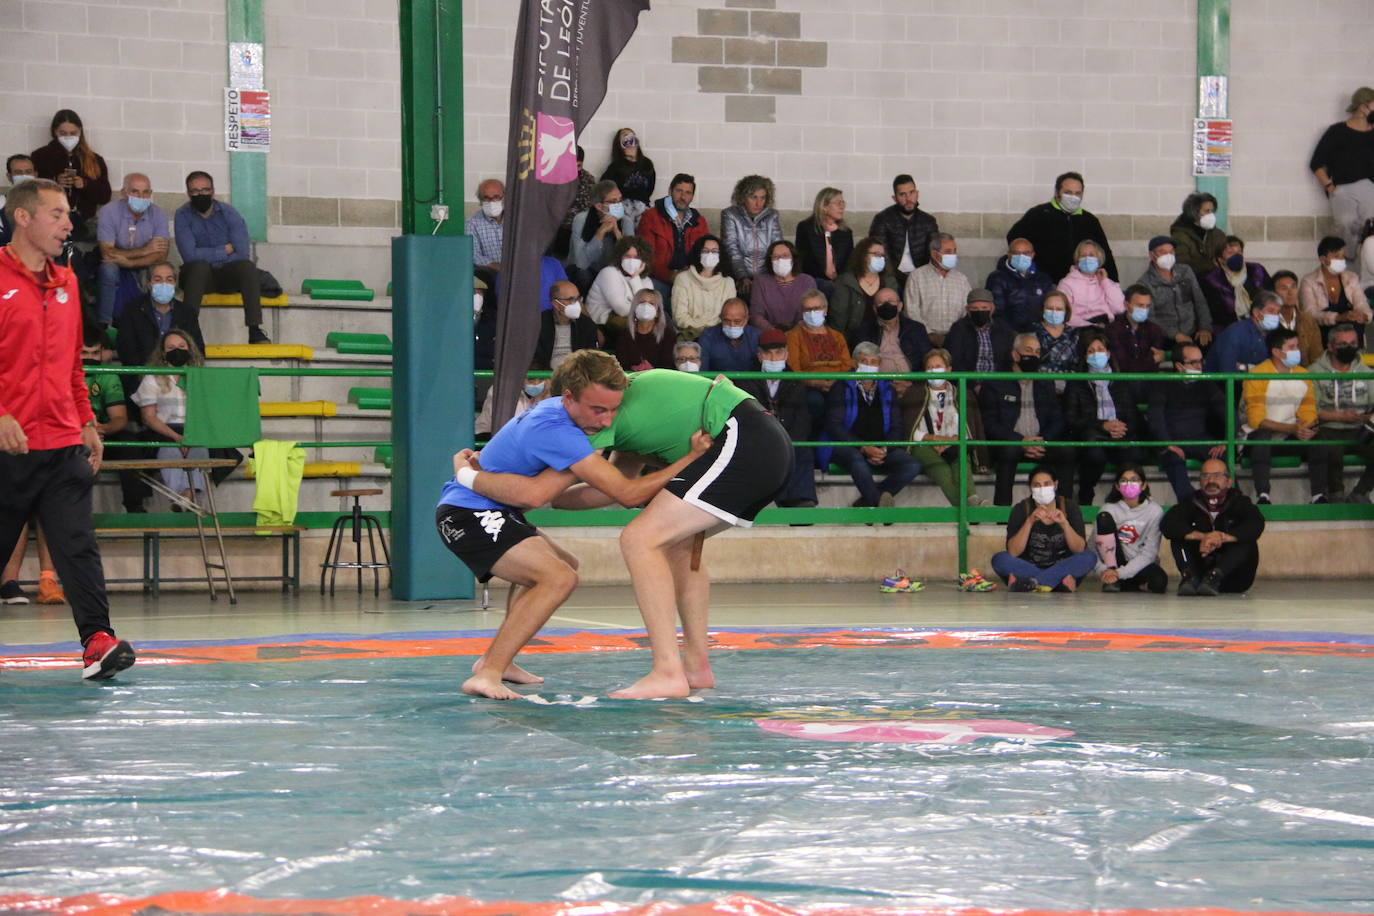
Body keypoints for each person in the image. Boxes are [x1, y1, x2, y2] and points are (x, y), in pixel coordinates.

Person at [441, 351, 713, 700]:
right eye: (598, 410)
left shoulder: (561, 417)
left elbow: (583, 492)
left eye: (614, 410)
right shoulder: (557, 432)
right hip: (467, 512)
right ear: (568, 396)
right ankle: (489, 672)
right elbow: (625, 494)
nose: (606, 420)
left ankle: (498, 661)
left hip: (493, 509)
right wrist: (689, 459)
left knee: (563, 566)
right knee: (557, 577)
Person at [0, 177, 134, 679]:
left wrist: (85, 419)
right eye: (56, 213)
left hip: (61, 443)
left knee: (77, 545)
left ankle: (97, 641)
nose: (67, 223)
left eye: (68, 214)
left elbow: (70, 365)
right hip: (6, 448)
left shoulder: (68, 282)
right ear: (23, 217)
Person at [175, 171, 269, 344]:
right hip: (198, 277)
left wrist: (207, 255)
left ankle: (255, 330)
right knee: (199, 267)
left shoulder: (229, 213)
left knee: (247, 267)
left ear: (213, 191)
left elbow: (241, 253)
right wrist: (224, 250)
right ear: (188, 193)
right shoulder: (182, 215)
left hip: (226, 276)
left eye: (205, 190)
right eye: (195, 191)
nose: (200, 194)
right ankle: (187, 330)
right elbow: (189, 255)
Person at [825, 342, 922, 509]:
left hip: (880, 447)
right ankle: (879, 506)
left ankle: (868, 502)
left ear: (880, 364)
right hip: (849, 446)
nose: (869, 366)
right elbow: (834, 426)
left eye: (874, 362)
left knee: (912, 465)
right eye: (864, 361)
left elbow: (897, 426)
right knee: (858, 463)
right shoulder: (841, 386)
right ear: (855, 363)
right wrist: (863, 447)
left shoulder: (887, 388)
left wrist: (885, 448)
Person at [978, 333, 1068, 505]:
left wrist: (1042, 441)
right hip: (1010, 443)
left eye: (1037, 351)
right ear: (1015, 355)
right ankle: (1002, 513)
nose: (1033, 355)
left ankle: (1066, 510)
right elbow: (989, 423)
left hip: (1041, 442)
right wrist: (1020, 441)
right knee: (1008, 451)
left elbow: (1057, 419)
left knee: (1067, 452)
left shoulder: (1045, 382)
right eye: (1028, 350)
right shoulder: (995, 382)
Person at [1242, 327, 1329, 504]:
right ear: (1276, 352)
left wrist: (1306, 428)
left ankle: (1319, 495)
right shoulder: (1257, 375)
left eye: (1297, 346)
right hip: (1258, 437)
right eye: (1292, 347)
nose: (1298, 350)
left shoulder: (1304, 375)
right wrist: (1292, 428)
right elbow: (1256, 420)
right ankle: (1263, 495)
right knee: (1262, 438)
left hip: (1291, 436)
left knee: (1319, 438)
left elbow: (1308, 410)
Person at [736, 329, 817, 509]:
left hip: (788, 436)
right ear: (759, 355)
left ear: (786, 354)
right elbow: (747, 417)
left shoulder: (796, 381)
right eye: (768, 353)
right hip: (760, 437)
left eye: (779, 352)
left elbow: (802, 419)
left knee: (803, 450)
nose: (773, 358)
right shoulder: (746, 380)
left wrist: (788, 440)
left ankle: (801, 500)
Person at [1064, 329, 1144, 506]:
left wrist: (1120, 428)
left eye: (1100, 350)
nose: (1096, 354)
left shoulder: (1121, 382)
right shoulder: (1076, 384)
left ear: (1108, 353)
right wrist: (1102, 426)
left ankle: (1123, 500)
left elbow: (1134, 417)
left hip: (1121, 437)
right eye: (1091, 351)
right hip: (1093, 437)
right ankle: (1086, 493)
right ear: (1084, 356)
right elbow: (1072, 421)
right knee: (1095, 455)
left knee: (1134, 454)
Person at [1162, 458, 1265, 596]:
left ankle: (1215, 576)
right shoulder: (1191, 502)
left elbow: (1256, 524)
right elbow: (1168, 524)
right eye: (1205, 476)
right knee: (1179, 537)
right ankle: (1188, 576)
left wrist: (1222, 538)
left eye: (1217, 475)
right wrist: (1203, 536)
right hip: (1198, 578)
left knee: (1246, 540)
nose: (1211, 481)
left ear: (1229, 481)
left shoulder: (1240, 502)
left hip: (1234, 579)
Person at [132, 330, 212, 505]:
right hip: (161, 430)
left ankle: (186, 495)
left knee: (200, 451)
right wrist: (176, 437)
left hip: (194, 430)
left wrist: (189, 437)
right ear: (163, 353)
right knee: (168, 450)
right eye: (171, 347)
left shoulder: (200, 377)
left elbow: (206, 412)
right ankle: (183, 496)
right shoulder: (152, 377)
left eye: (182, 346)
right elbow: (149, 417)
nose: (177, 350)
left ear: (190, 349)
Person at [990, 466, 1096, 592]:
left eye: (1047, 484)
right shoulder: (1021, 509)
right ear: (1030, 488)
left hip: (1062, 566)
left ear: (1055, 485)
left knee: (1089, 557)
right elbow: (1013, 552)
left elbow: (1079, 549)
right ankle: (1054, 584)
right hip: (1029, 567)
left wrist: (1064, 524)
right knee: (999, 559)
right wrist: (1029, 522)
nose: (1042, 489)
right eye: (1037, 485)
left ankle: (1032, 583)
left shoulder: (1069, 507)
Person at [908, 348, 987, 507]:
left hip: (954, 445)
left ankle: (971, 500)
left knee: (961, 459)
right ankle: (972, 507)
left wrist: (950, 442)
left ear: (949, 369)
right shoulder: (914, 393)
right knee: (942, 469)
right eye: (929, 367)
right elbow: (911, 432)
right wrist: (937, 440)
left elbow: (969, 430)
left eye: (938, 366)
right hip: (924, 446)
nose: (933, 371)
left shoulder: (963, 394)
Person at [1150, 343, 1228, 501]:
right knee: (1172, 457)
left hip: (1200, 439)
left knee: (1224, 455)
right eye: (1194, 363)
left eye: (1201, 362)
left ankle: (1230, 500)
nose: (1199, 367)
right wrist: (1167, 443)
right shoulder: (1162, 384)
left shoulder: (1206, 384)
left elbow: (1227, 411)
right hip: (1173, 440)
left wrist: (1226, 441)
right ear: (1179, 366)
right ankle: (1191, 503)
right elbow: (1155, 417)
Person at [1007, 171, 1117, 282]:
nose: (1073, 197)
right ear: (1057, 192)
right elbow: (1014, 239)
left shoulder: (1090, 221)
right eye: (1068, 192)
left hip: (1081, 284)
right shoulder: (1038, 214)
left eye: (1077, 193)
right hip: (1045, 285)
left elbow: (1105, 253)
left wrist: (1114, 283)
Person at [1309, 322, 1374, 502]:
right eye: (1343, 344)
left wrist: (1364, 417)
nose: (1350, 348)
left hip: (1361, 429)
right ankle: (1336, 494)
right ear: (1330, 346)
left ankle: (1360, 492)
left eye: (1353, 343)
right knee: (1330, 449)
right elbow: (1310, 410)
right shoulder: (1314, 372)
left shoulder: (1366, 372)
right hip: (1328, 427)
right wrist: (1340, 417)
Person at [95, 173, 170, 328]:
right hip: (116, 264)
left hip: (142, 264)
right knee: (108, 269)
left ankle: (155, 324)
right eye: (135, 191)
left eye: (146, 192)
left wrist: (128, 263)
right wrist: (144, 251)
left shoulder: (158, 214)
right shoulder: (109, 212)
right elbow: (107, 253)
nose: (141, 197)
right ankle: (105, 325)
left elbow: (160, 255)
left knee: (162, 271)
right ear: (124, 193)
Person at [114, 260, 205, 384]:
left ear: (175, 283)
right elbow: (126, 350)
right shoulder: (132, 310)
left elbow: (197, 349)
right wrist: (149, 375)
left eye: (169, 280)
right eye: (158, 280)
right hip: (141, 380)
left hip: (180, 380)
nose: (164, 284)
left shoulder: (187, 312)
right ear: (149, 284)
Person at [1310, 86, 1374, 253]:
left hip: (1370, 188)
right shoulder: (1337, 132)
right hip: (1343, 187)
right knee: (1346, 222)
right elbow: (1316, 163)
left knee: (1370, 226)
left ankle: (1367, 267)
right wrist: (1330, 187)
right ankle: (1348, 262)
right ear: (1363, 106)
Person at [29, 109, 111, 239]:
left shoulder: (94, 159)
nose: (68, 137)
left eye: (73, 133)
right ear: (54, 132)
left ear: (80, 132)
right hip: (50, 220)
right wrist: (54, 182)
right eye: (63, 133)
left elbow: (105, 195)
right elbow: (31, 190)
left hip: (85, 220)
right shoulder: (40, 156)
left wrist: (85, 184)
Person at [1093, 466, 1167, 594]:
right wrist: (1103, 570)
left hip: (1140, 563)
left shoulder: (1154, 511)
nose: (1129, 484)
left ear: (1143, 485)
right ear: (1117, 486)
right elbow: (1093, 546)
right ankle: (1115, 579)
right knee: (1104, 518)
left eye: (1134, 480)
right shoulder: (1108, 509)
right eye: (1124, 480)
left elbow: (1149, 553)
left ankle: (1120, 581)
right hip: (1115, 561)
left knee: (1159, 582)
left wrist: (1120, 573)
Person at [787, 289, 853, 426]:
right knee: (815, 401)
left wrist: (834, 381)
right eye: (807, 309)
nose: (812, 313)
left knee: (842, 398)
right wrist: (815, 382)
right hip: (808, 387)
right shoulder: (793, 336)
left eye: (817, 308)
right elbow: (793, 368)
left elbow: (847, 365)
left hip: (837, 384)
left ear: (825, 310)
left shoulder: (837, 336)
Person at [636, 173, 709, 292]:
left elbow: (705, 255)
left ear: (692, 196)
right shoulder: (651, 217)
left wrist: (691, 275)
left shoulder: (699, 221)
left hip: (690, 279)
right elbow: (645, 257)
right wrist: (671, 276)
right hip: (658, 278)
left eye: (688, 193)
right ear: (670, 191)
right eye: (679, 191)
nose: (683, 197)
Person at [1139, 235, 1212, 348]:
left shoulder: (1185, 271)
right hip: (1166, 337)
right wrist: (1175, 335)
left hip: (1193, 331)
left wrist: (1204, 327)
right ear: (1151, 255)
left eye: (1171, 251)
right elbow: (1151, 317)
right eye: (1162, 252)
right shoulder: (1144, 283)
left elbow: (1200, 301)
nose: (1168, 255)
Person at [868, 174, 939, 284]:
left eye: (912, 192)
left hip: (920, 277)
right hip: (891, 277)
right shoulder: (882, 219)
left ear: (917, 194)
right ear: (894, 198)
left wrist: (920, 277)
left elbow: (934, 254)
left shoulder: (928, 221)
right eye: (902, 194)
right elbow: (879, 254)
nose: (908, 198)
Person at [1299, 236, 1371, 345]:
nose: (1342, 260)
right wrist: (1337, 318)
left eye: (1343, 256)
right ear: (1323, 260)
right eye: (1337, 256)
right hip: (1323, 338)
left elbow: (1361, 303)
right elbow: (1310, 314)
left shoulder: (1351, 278)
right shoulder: (1309, 281)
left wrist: (1363, 315)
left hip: (1351, 335)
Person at [720, 174, 782, 298]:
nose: (758, 203)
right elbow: (732, 249)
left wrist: (769, 278)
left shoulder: (772, 216)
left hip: (767, 277)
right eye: (753, 197)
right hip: (737, 276)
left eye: (763, 198)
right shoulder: (730, 215)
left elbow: (778, 248)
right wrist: (742, 276)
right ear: (743, 197)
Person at [852, 286, 932, 382]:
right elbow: (859, 363)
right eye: (881, 303)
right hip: (878, 387)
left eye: (891, 301)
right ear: (875, 308)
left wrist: (912, 383)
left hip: (911, 385)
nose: (886, 305)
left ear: (900, 306)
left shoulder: (915, 329)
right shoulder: (864, 331)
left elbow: (928, 360)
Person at [828, 235, 899, 343]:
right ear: (863, 256)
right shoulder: (846, 282)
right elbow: (838, 319)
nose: (880, 258)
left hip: (885, 338)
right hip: (853, 339)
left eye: (882, 255)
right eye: (876, 254)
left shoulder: (890, 282)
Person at [903, 233, 970, 345]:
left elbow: (966, 310)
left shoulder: (961, 279)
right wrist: (929, 334)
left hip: (956, 339)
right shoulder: (917, 276)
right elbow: (911, 311)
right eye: (948, 252)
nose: (953, 255)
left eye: (955, 251)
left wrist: (956, 334)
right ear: (934, 254)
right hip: (923, 339)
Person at [585, 235, 655, 338]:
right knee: (639, 327)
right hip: (602, 323)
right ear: (620, 257)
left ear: (644, 260)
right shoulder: (609, 273)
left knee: (660, 322)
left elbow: (649, 308)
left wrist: (635, 278)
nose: (631, 261)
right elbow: (622, 310)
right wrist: (643, 310)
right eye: (627, 256)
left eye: (636, 257)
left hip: (629, 321)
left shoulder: (646, 280)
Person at [671, 235, 736, 340]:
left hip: (719, 335)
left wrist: (711, 331)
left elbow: (729, 315)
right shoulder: (682, 279)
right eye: (705, 251)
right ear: (698, 253)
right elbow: (679, 317)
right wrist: (703, 329)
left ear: (720, 255)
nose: (710, 254)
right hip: (690, 335)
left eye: (714, 251)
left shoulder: (728, 282)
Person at [1200, 235, 1271, 332]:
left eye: (1239, 252)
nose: (1236, 256)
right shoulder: (1212, 280)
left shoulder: (1257, 270)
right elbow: (1213, 312)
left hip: (1261, 325)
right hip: (1228, 329)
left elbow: (1270, 295)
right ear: (1220, 259)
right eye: (1230, 253)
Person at [986, 237, 1055, 332]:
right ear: (1009, 255)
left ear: (1032, 255)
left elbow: (1049, 307)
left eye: (1026, 253)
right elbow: (996, 312)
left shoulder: (1043, 279)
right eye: (1016, 253)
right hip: (1008, 334)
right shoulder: (997, 278)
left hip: (1038, 333)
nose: (1021, 257)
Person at [568, 180, 626, 292]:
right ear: (599, 206)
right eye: (614, 202)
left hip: (612, 273)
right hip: (585, 272)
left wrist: (617, 232)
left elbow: (629, 257)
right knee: (583, 275)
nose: (619, 205)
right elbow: (581, 263)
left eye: (620, 200)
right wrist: (600, 232)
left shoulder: (625, 221)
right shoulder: (581, 220)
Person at [1206, 291, 1283, 374]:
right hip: (1221, 385)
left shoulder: (1273, 335)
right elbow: (1227, 370)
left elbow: (1275, 369)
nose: (1276, 315)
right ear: (1256, 313)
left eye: (1278, 312)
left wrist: (1245, 367)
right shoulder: (1236, 332)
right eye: (1271, 311)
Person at [795, 187, 852, 296]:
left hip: (839, 282)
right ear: (824, 206)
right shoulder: (805, 228)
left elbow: (848, 263)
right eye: (837, 203)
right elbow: (802, 261)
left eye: (843, 202)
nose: (842, 206)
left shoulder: (846, 232)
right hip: (814, 281)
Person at [749, 240, 816, 331]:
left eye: (785, 256)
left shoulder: (807, 281)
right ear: (770, 260)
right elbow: (756, 315)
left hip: (800, 333)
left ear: (793, 258)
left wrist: (793, 334)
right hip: (768, 335)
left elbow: (810, 313)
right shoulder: (760, 282)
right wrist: (774, 332)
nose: (780, 259)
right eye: (775, 257)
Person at [943, 288, 1013, 374]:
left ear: (992, 309)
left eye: (984, 308)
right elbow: (955, 361)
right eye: (975, 308)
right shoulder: (958, 329)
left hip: (998, 382)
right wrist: (973, 384)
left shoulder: (1004, 329)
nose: (980, 311)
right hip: (968, 383)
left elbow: (1008, 361)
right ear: (968, 310)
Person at [1057, 239, 1124, 327]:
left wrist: (1105, 282)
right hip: (1081, 327)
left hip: (1106, 325)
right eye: (1083, 255)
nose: (1087, 258)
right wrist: (1092, 326)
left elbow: (1119, 309)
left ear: (1098, 259)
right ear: (1077, 260)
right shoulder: (1066, 283)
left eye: (1091, 255)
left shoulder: (1106, 282)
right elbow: (1066, 314)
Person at [537, 281, 601, 372]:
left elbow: (592, 357)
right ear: (556, 304)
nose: (576, 304)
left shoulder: (586, 324)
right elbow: (533, 358)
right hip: (545, 376)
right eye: (571, 299)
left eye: (578, 298)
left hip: (577, 376)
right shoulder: (539, 323)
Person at [476, 363, 550, 438]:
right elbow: (521, 424)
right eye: (531, 380)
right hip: (486, 435)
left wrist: (545, 396)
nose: (536, 383)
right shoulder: (504, 390)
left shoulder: (546, 394)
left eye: (541, 379)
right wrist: (541, 399)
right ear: (520, 379)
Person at [614, 289, 676, 371]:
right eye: (642, 302)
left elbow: (668, 366)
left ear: (658, 312)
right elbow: (620, 365)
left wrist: (651, 370)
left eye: (651, 303)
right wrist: (634, 369)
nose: (646, 306)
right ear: (634, 308)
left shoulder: (668, 334)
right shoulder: (624, 334)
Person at [599, 127, 656, 217]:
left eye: (632, 136)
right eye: (625, 136)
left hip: (642, 207)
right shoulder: (615, 166)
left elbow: (650, 189)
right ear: (620, 144)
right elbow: (604, 187)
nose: (630, 139)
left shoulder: (647, 164)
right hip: (622, 208)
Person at [1272, 270, 1324, 367]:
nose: (1290, 292)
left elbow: (1317, 357)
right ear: (1273, 293)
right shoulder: (1269, 321)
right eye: (1284, 288)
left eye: (1293, 287)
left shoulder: (1308, 320)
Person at [1170, 192, 1227, 279]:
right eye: (1207, 211)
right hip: (1192, 283)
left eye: (1212, 211)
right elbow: (1181, 265)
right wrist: (1210, 264)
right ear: (1194, 213)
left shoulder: (1218, 234)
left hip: (1217, 282)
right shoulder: (1180, 236)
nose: (1211, 214)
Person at [697, 298, 760, 373]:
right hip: (717, 383)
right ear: (720, 318)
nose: (732, 325)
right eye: (727, 321)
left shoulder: (756, 336)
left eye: (737, 321)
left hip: (749, 384)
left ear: (746, 319)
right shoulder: (708, 336)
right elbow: (703, 371)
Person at [1035, 290, 1079, 391]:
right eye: (1050, 308)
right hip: (1039, 387)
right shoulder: (1033, 331)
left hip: (1070, 388)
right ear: (1043, 310)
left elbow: (1077, 365)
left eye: (1059, 309)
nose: (1054, 312)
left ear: (1066, 311)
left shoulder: (1075, 334)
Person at [464, 178, 505, 270]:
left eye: (497, 197)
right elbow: (473, 255)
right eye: (486, 198)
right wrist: (495, 265)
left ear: (504, 197)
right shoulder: (472, 223)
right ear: (480, 200)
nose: (492, 202)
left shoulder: (517, 220)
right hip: (492, 273)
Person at [0, 154, 38, 245]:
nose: (24, 175)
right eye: (18, 172)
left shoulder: (48, 202)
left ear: (35, 174)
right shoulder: (1, 203)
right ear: (9, 176)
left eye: (28, 172)